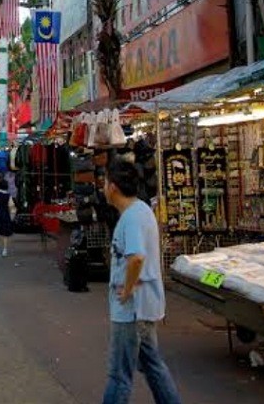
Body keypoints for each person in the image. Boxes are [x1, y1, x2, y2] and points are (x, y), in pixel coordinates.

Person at [102, 160, 181, 404]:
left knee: (119, 374)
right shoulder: (141, 211)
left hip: (132, 309)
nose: (103, 188)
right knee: (152, 365)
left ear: (113, 187)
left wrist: (126, 290)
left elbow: (136, 257)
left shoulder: (132, 217)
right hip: (144, 306)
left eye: (105, 183)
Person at [0, 179, 14, 257]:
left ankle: (3, 249)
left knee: (0, 232)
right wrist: (12, 216)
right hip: (6, 214)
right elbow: (11, 206)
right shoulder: (9, 195)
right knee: (2, 232)